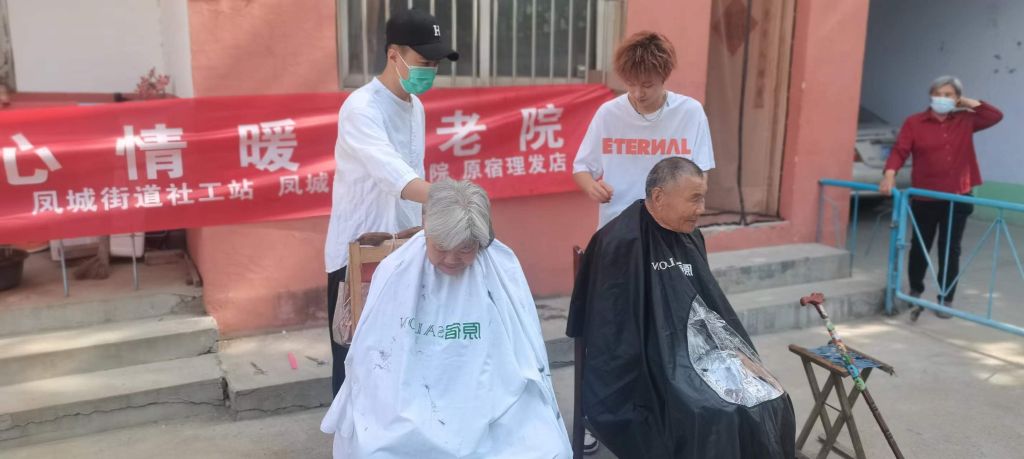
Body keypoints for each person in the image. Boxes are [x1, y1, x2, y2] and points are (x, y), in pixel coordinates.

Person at [321, 180, 572, 458]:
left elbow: (525, 349)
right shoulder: (397, 269)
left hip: (492, 400)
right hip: (406, 405)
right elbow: (374, 355)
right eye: (441, 246)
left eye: (465, 248)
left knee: (548, 450)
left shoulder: (502, 267)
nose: (451, 259)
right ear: (427, 229)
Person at [567, 157, 795, 458]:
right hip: (643, 366)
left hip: (698, 351)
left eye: (703, 198)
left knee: (771, 396)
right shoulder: (619, 242)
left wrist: (732, 352)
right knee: (714, 412)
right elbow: (613, 331)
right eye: (695, 199)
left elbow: (706, 305)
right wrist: (671, 359)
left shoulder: (691, 237)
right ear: (659, 196)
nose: (702, 209)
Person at [323, 9, 459, 396]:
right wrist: (454, 197)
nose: (430, 71)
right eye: (423, 62)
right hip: (359, 253)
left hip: (405, 249)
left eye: (435, 64)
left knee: (399, 355)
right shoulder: (362, 107)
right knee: (355, 358)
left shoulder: (415, 107)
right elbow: (393, 174)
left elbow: (415, 172)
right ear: (393, 55)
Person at [879, 76, 1003, 321]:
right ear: (930, 95)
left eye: (948, 95)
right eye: (938, 94)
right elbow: (900, 150)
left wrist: (966, 102)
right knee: (920, 246)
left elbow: (994, 115)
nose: (942, 99)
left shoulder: (965, 120)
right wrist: (889, 174)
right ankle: (915, 290)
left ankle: (946, 298)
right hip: (926, 196)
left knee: (950, 249)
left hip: (958, 196)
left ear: (956, 98)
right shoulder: (914, 122)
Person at [573, 31, 715, 229]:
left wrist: (689, 204)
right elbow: (582, 168)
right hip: (618, 224)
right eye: (631, 84)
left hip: (671, 226)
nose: (638, 93)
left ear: (663, 77)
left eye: (647, 85)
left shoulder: (690, 112)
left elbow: (701, 172)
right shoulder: (609, 114)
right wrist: (592, 187)